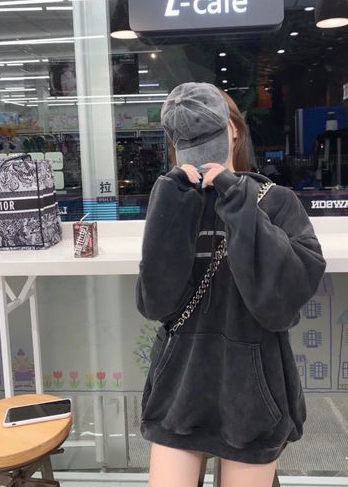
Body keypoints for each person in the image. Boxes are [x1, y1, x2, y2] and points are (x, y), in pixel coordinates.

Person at [136, 82, 326, 487]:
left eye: (208, 134)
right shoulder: (175, 197)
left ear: (233, 130)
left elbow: (282, 304)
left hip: (251, 395)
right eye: (187, 140)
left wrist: (238, 201)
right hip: (181, 386)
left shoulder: (275, 201)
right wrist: (168, 206)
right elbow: (156, 303)